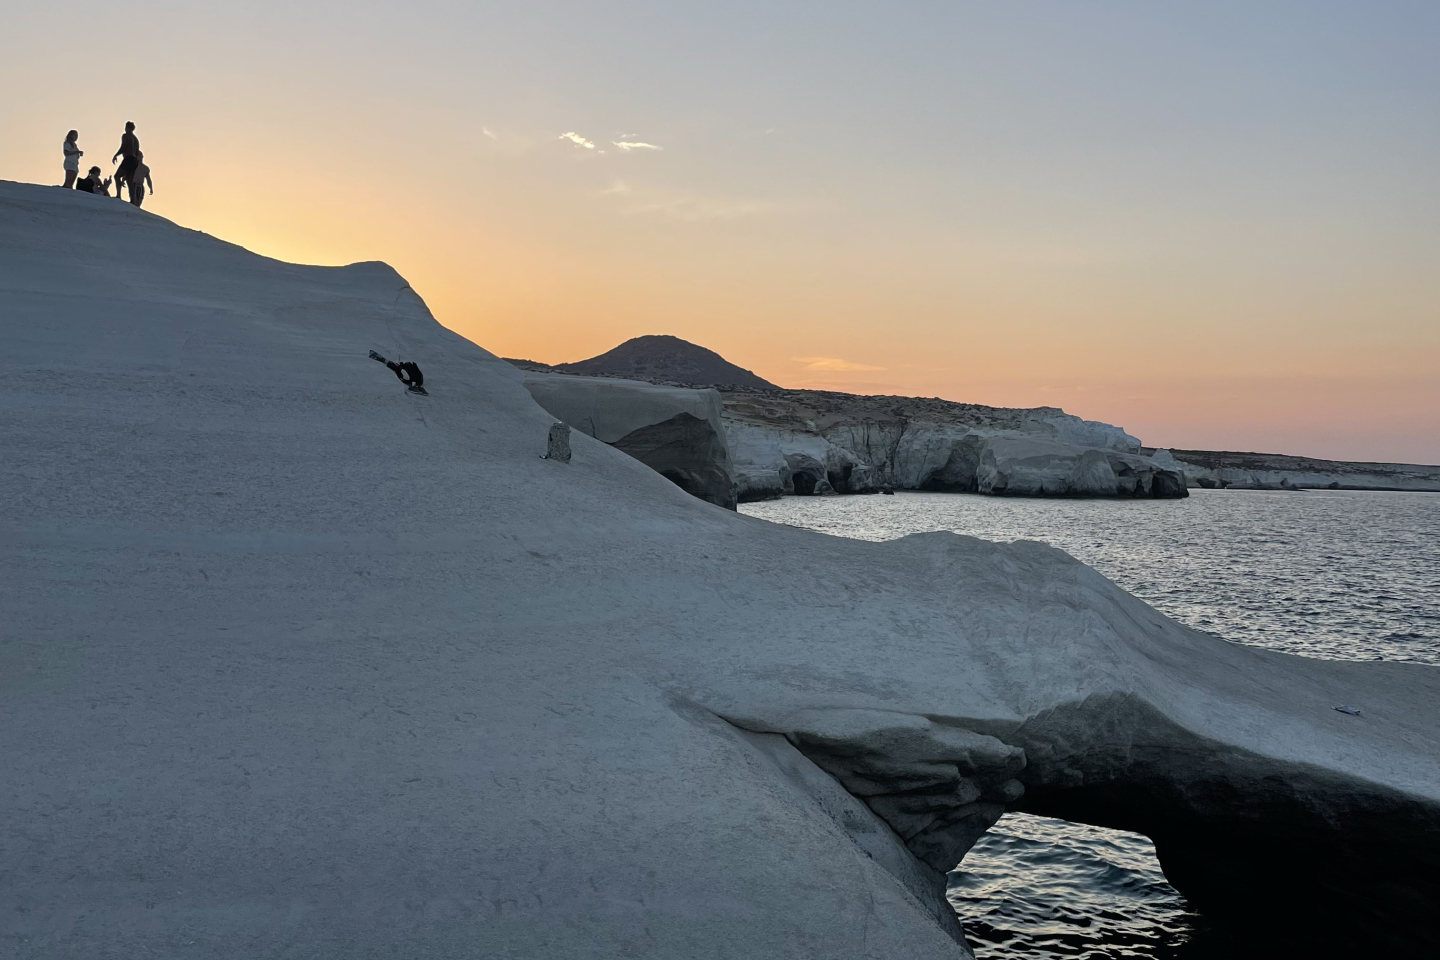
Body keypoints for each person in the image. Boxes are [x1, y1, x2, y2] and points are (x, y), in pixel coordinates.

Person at [111, 121, 140, 201]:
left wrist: (116, 155)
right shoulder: (136, 139)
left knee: (117, 176)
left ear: (127, 128)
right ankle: (133, 200)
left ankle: (118, 195)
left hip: (129, 158)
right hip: (134, 160)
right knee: (129, 181)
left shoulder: (126, 136)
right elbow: (137, 152)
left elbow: (123, 147)